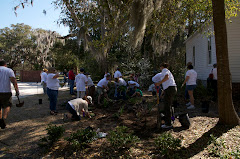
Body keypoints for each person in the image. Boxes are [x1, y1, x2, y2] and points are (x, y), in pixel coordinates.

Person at [153, 63, 177, 129]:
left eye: (160, 67)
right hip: (171, 89)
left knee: (167, 106)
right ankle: (172, 119)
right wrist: (162, 94)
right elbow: (167, 83)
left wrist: (159, 83)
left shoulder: (164, 70)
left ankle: (168, 123)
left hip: (170, 89)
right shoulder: (167, 72)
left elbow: (167, 77)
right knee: (169, 105)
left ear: (162, 66)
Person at [0, 60, 19, 129]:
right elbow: (13, 80)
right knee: (7, 105)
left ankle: (0, 120)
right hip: (6, 91)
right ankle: (3, 119)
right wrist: (16, 90)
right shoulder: (8, 70)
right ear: (5, 65)